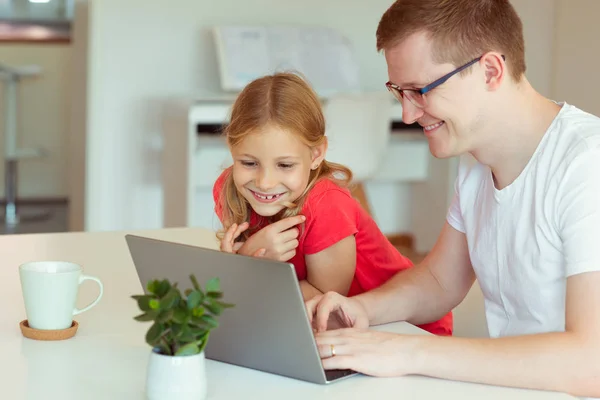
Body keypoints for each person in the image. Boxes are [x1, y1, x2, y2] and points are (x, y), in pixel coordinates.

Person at [305, 0, 600, 398]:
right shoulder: (477, 162)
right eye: (400, 92)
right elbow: (440, 280)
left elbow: (590, 362)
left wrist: (412, 352)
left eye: (421, 91)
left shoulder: (586, 164)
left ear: (490, 71)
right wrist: (363, 310)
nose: (408, 115)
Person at [212, 72, 453, 336]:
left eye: (285, 165)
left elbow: (323, 302)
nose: (265, 182)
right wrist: (245, 263)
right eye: (249, 163)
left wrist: (251, 266)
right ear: (231, 148)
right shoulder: (230, 190)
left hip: (404, 326)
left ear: (316, 155)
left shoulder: (326, 205)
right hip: (325, 325)